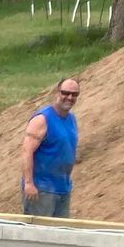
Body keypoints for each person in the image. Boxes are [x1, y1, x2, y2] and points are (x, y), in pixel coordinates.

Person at [20, 78, 81, 218]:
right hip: (41, 189)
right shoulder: (42, 119)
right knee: (37, 235)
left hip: (62, 188)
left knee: (58, 235)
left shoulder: (71, 119)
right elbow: (26, 151)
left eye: (74, 94)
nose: (69, 97)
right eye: (65, 93)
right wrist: (29, 183)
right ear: (57, 93)